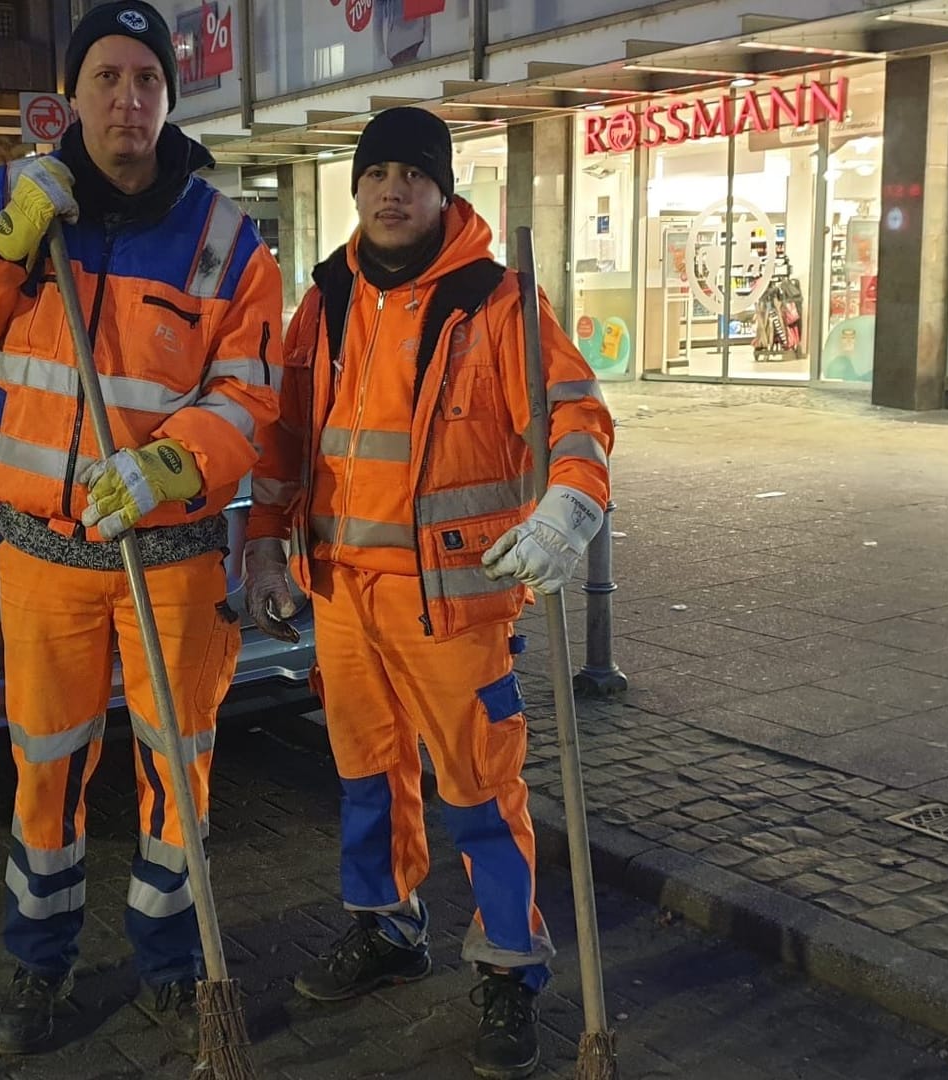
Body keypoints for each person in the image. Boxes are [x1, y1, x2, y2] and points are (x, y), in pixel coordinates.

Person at [0, 0, 281, 1059]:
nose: (128, 99)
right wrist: (10, 241)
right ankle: (41, 962)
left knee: (176, 767)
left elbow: (253, 397)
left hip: (171, 560)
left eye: (148, 82)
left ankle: (169, 961)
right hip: (46, 563)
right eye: (108, 77)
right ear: (73, 94)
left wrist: (172, 462)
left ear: (170, 96)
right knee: (49, 769)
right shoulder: (11, 201)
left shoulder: (223, 237)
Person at [243, 107, 614, 1080]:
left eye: (414, 174)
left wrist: (568, 510)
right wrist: (264, 548)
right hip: (344, 602)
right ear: (357, 189)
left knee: (481, 793)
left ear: (445, 192)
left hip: (452, 606)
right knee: (367, 779)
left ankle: (508, 970)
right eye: (378, 174)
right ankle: (385, 926)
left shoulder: (496, 302)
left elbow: (573, 420)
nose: (393, 190)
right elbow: (282, 441)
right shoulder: (323, 302)